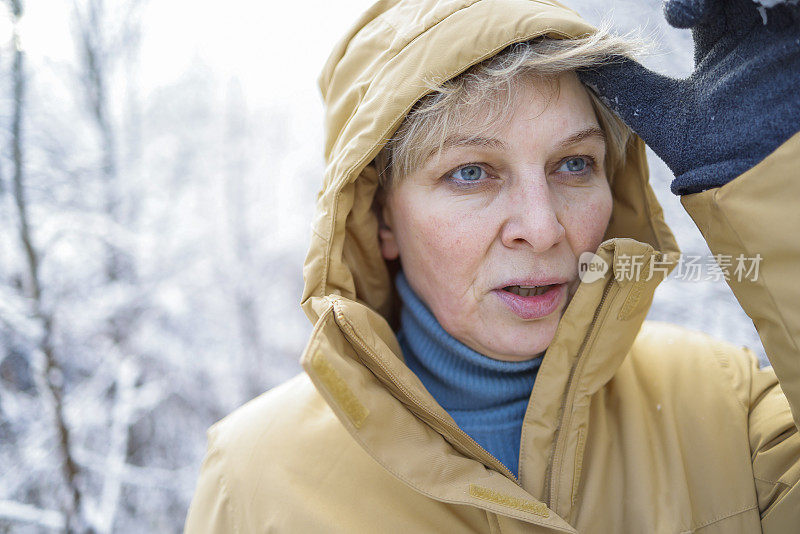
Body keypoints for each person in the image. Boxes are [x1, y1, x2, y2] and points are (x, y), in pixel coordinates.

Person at [184, 0, 800, 531]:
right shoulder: (254, 484)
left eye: (574, 164)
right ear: (381, 220)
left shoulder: (730, 408)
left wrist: (782, 183)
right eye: (470, 173)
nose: (542, 228)